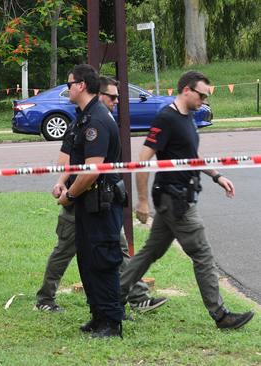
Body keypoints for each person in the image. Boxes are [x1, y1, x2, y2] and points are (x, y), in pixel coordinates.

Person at [121, 70, 255, 330]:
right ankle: (221, 315)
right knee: (202, 254)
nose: (204, 100)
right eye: (201, 95)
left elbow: (191, 155)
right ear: (186, 90)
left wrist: (217, 176)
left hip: (178, 198)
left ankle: (113, 298)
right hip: (175, 200)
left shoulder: (188, 118)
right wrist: (142, 201)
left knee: (150, 253)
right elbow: (142, 161)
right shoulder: (166, 118)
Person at [35, 77, 167, 314]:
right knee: (64, 250)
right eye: (112, 97)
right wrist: (61, 183)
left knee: (118, 248)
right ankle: (45, 297)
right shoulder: (82, 123)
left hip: (99, 202)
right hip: (78, 200)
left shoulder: (101, 121)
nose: (116, 102)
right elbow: (68, 158)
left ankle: (137, 296)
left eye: (118, 98)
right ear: (98, 95)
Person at [56, 65, 125, 338]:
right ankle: (98, 316)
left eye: (70, 83)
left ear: (82, 85)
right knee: (88, 259)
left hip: (101, 202)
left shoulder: (96, 119)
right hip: (87, 202)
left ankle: (111, 322)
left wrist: (70, 195)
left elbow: (93, 169)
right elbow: (73, 159)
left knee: (103, 260)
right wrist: (62, 182)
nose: (68, 87)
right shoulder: (82, 117)